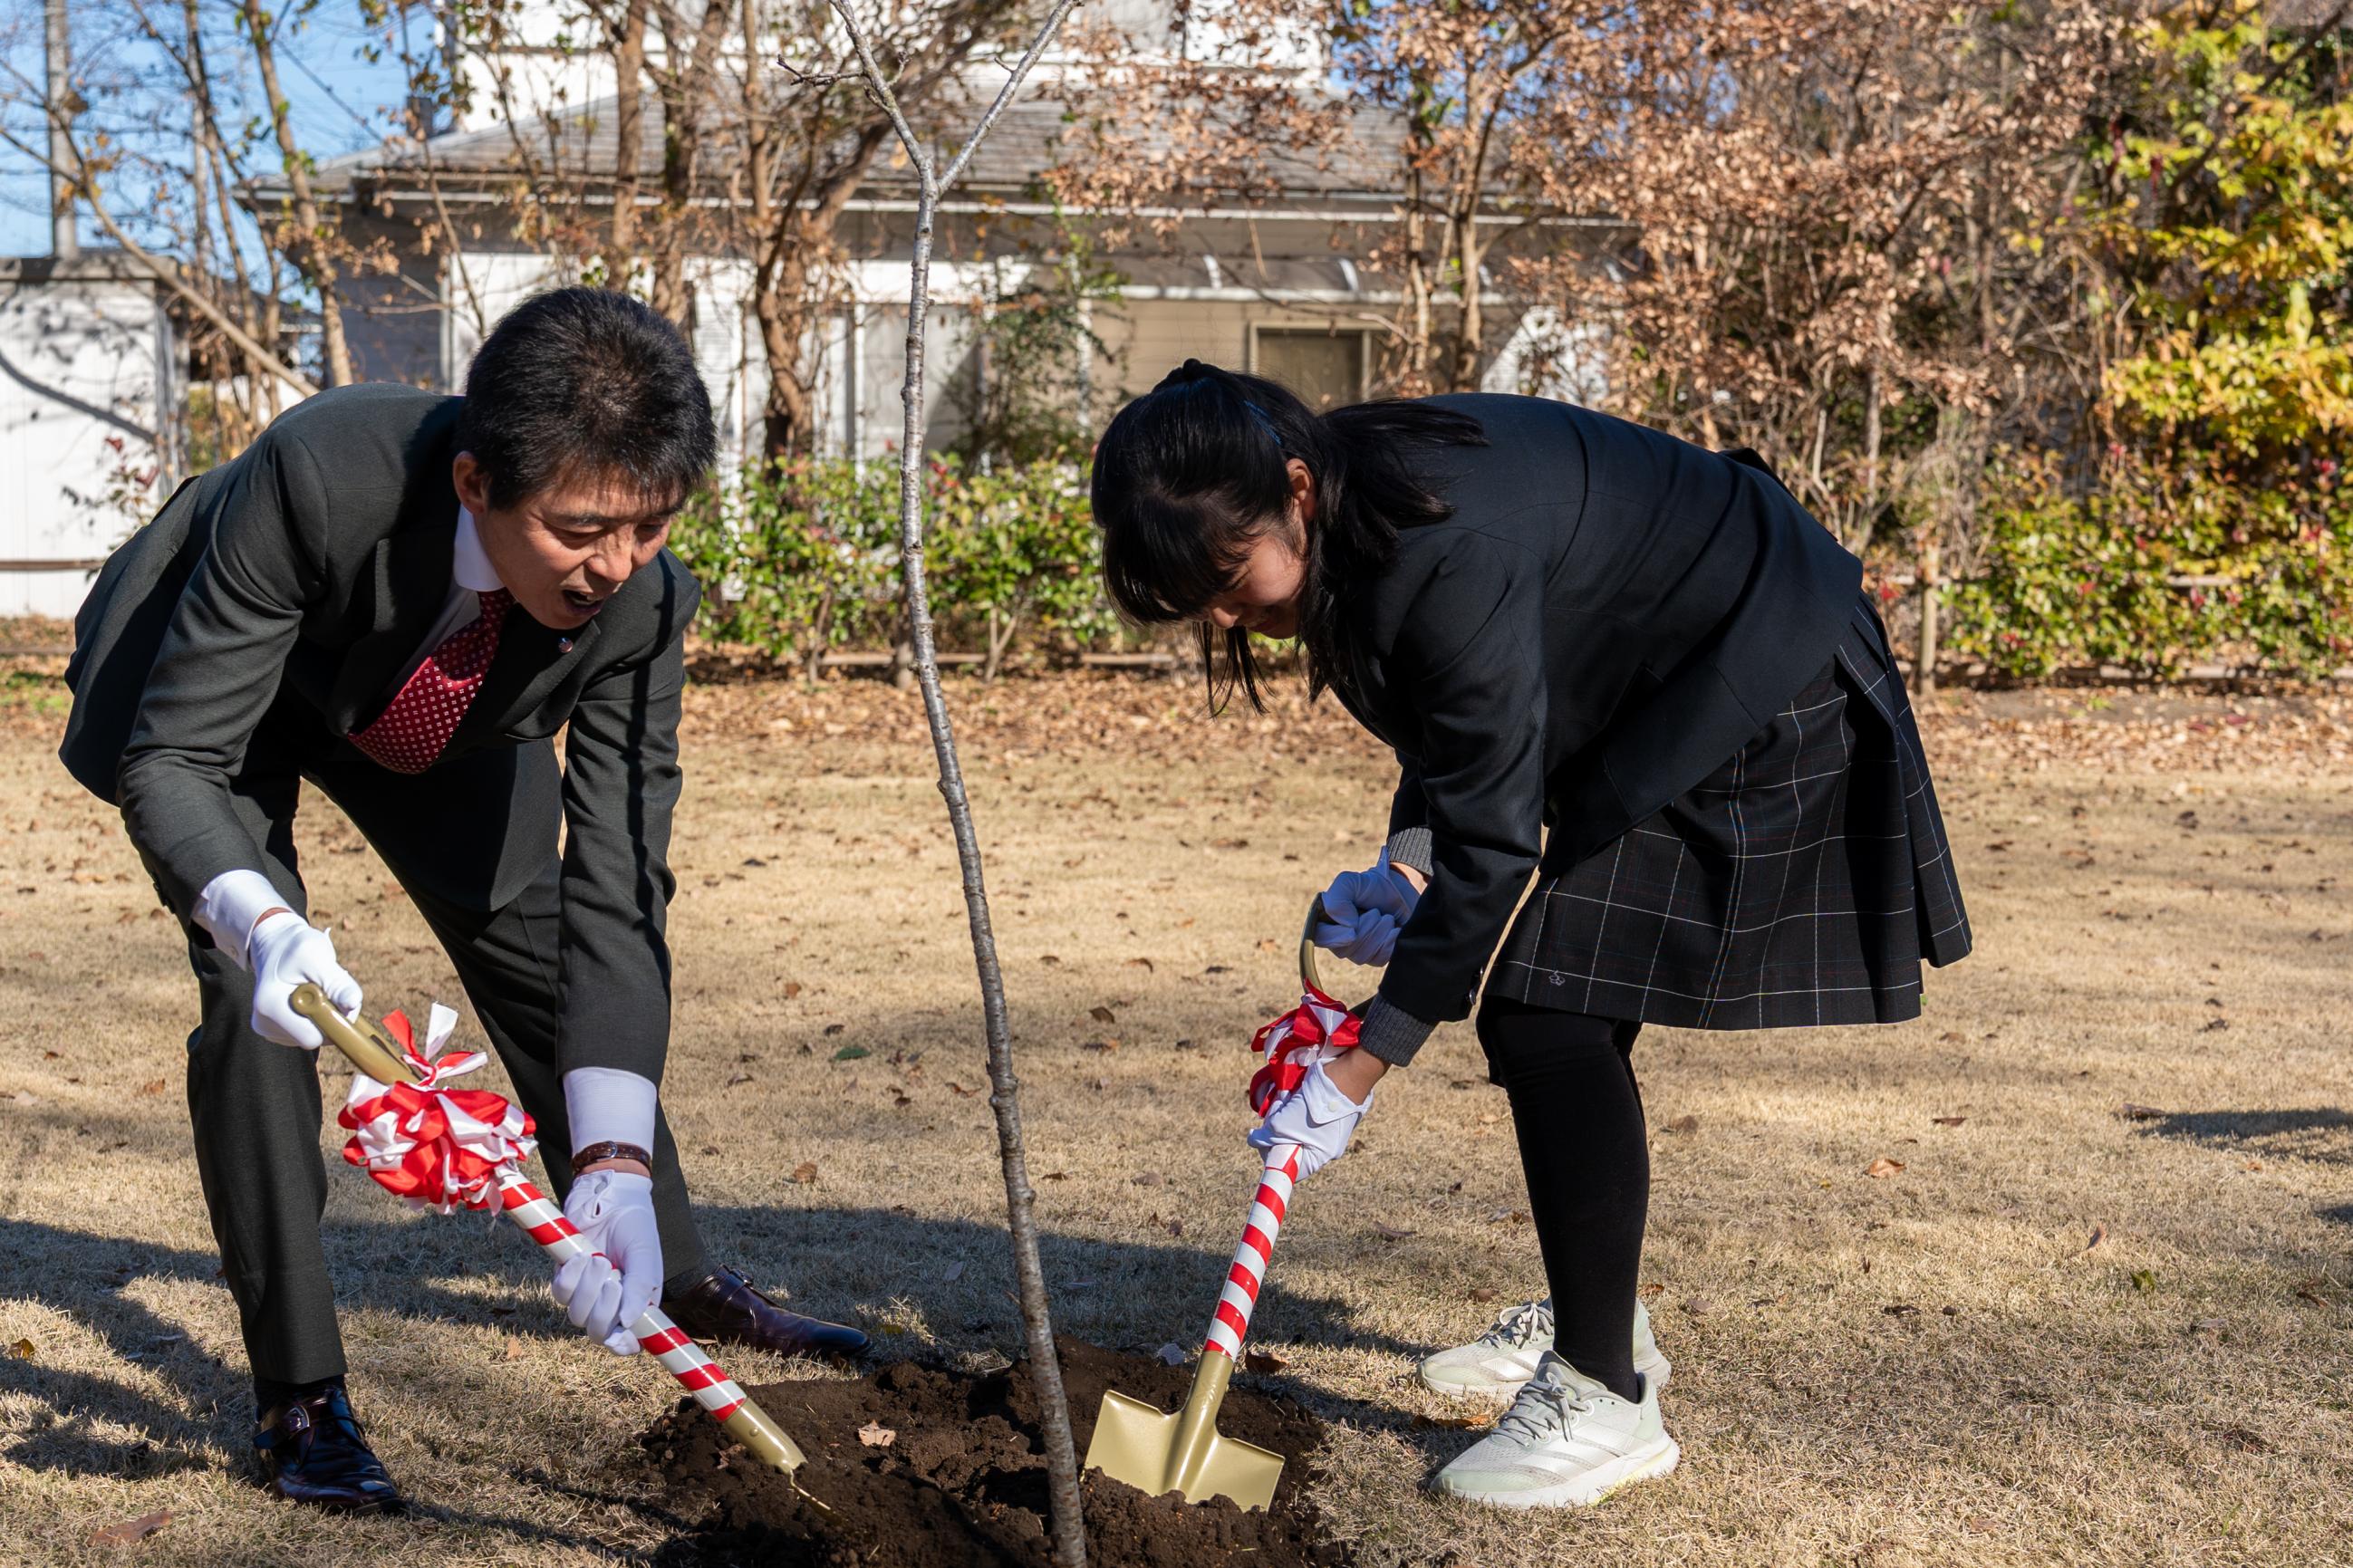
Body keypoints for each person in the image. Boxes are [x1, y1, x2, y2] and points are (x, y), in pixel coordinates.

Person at [1091, 361, 1971, 1510]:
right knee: (1557, 1002)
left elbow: (1499, 839)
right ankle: (1598, 1314)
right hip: (1666, 684)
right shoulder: (1360, 507)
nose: (1222, 617)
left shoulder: (1439, 535)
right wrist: (1407, 863)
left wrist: (1356, 1070)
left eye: (1222, 578)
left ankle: (1605, 1398)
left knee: (1545, 1008)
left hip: (1761, 671)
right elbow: (1461, 723)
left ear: (1294, 487)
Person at [59, 288, 866, 1515]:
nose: (617, 564)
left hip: (444, 693)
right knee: (254, 994)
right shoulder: (320, 472)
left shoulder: (635, 603)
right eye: (584, 528)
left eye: (651, 526)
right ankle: (300, 1391)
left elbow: (617, 888)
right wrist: (265, 920)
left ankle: (681, 1272)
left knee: (539, 938)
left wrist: (612, 1160)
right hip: (212, 689)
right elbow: (175, 759)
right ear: (477, 477)